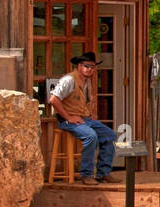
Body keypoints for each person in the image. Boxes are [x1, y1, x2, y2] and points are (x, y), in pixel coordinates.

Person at [48, 52, 118, 185]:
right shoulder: (69, 80)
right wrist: (68, 117)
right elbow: (53, 99)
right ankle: (86, 175)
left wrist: (90, 113)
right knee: (91, 136)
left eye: (92, 67)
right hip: (67, 120)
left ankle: (103, 173)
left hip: (84, 118)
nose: (90, 69)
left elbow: (84, 102)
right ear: (79, 66)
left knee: (110, 136)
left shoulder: (87, 82)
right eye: (87, 66)